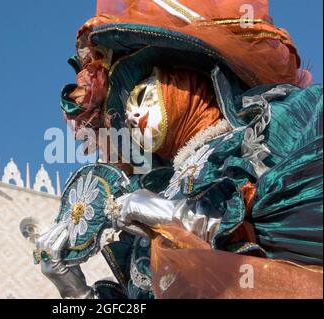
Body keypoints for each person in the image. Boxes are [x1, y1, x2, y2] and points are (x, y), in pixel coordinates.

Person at [36, 0, 323, 299]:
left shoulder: (271, 129)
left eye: (142, 94)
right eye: (126, 111)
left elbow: (303, 217)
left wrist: (175, 216)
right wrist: (74, 290)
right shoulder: (153, 191)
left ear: (189, 80)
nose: (133, 116)